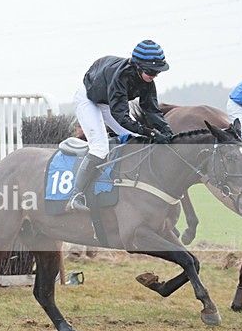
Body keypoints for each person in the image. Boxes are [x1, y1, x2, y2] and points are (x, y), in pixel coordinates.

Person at [66, 40, 173, 212]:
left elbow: (151, 110)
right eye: (152, 71)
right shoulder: (121, 77)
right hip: (88, 99)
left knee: (137, 140)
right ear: (138, 67)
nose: (155, 75)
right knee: (100, 147)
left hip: (107, 101)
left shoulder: (147, 81)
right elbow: (122, 118)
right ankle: (76, 195)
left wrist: (168, 131)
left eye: (158, 71)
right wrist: (151, 133)